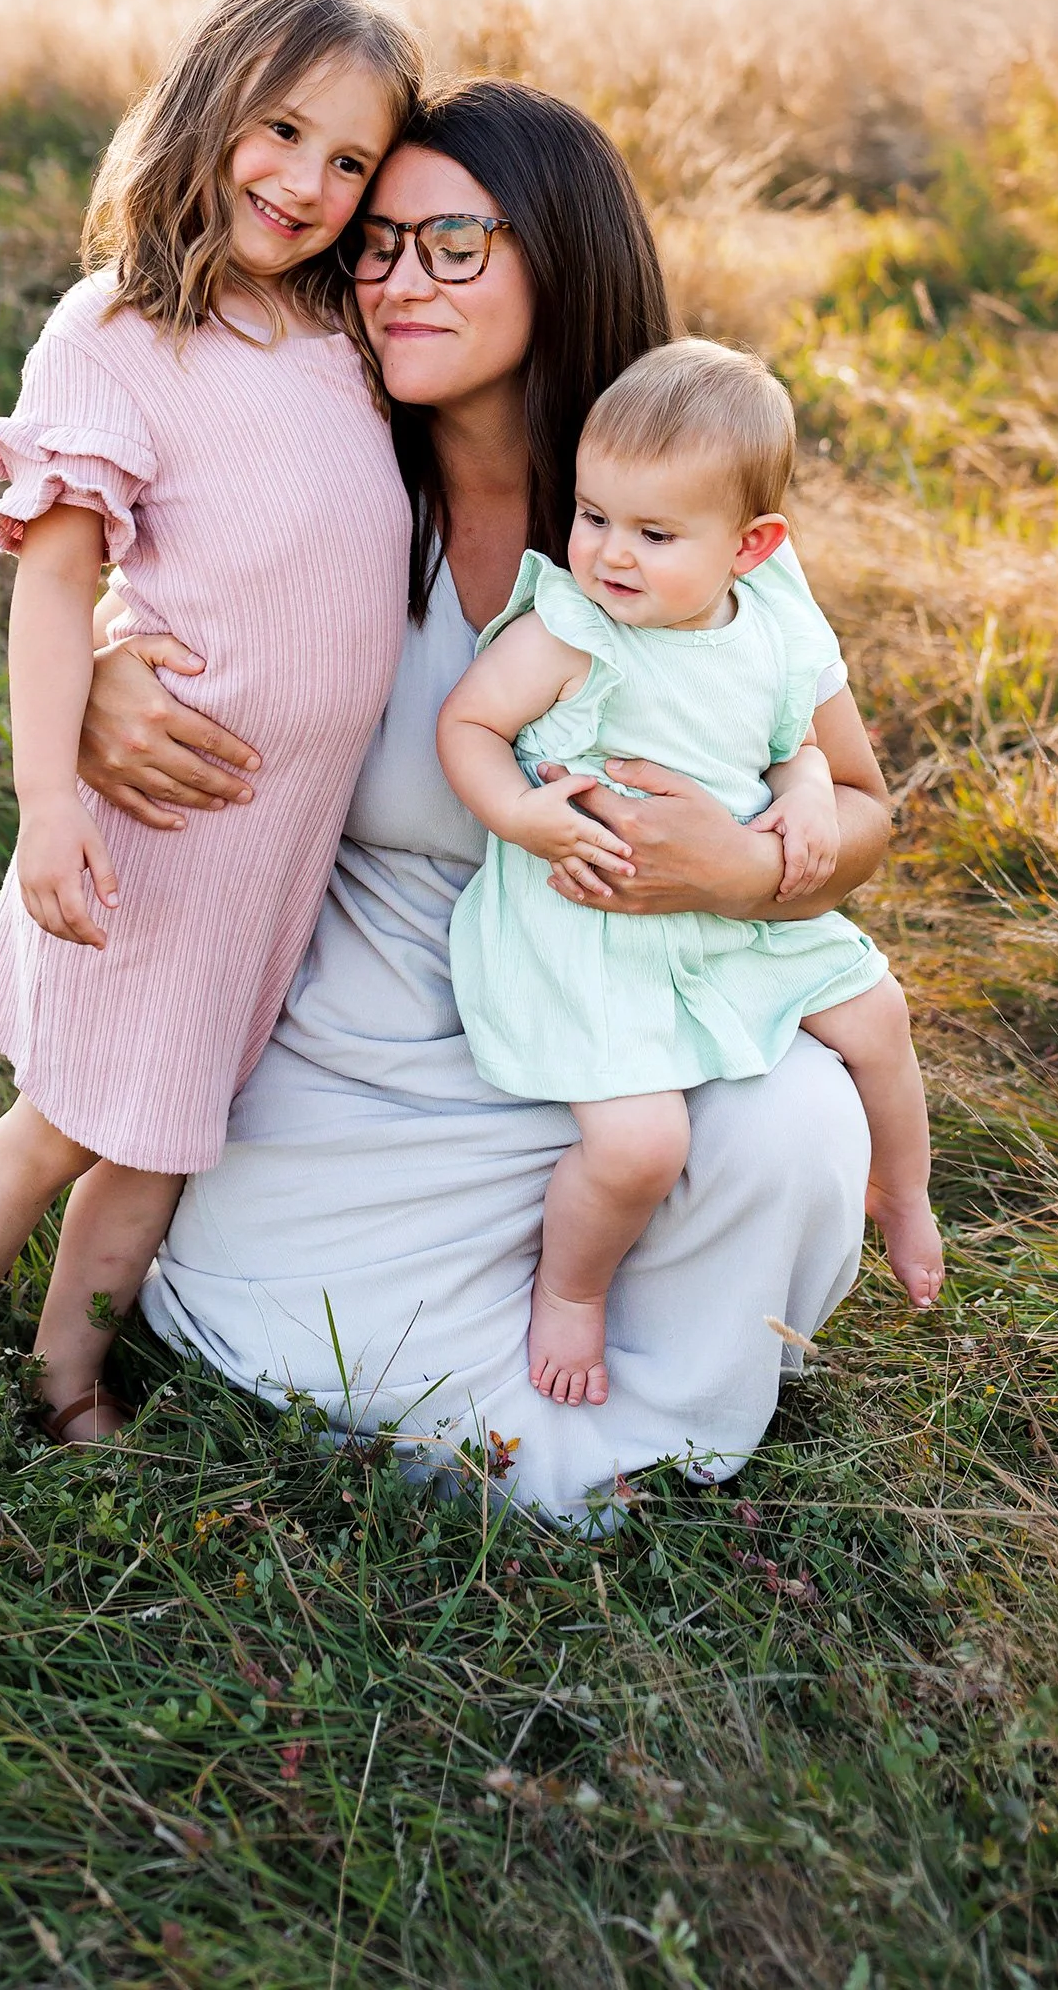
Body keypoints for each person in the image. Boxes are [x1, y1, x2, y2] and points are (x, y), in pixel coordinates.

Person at [75, 79, 896, 1524]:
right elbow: (131, 597)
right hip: (372, 1046)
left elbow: (862, 805)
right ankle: (545, 1391)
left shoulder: (672, 514)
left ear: (560, 257)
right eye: (375, 245)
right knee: (347, 1360)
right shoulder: (322, 480)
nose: (400, 280)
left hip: (634, 1024)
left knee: (799, 1126)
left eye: (454, 243)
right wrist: (104, 666)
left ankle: (655, 1399)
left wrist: (739, 867)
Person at [0, 0, 422, 1464]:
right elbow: (56, 585)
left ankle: (70, 1373)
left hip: (271, 843)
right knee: (58, 1124)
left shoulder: (338, 332)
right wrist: (49, 800)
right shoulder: (116, 329)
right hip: (154, 822)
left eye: (349, 159)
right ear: (208, 104)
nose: (304, 183)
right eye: (280, 130)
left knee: (163, 1131)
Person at [439, 337, 943, 1410]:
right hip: (594, 924)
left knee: (879, 1012)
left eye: (654, 533)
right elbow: (468, 724)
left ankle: (902, 1192)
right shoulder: (568, 628)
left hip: (730, 910)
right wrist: (520, 813)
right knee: (639, 1145)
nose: (609, 553)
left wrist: (805, 794)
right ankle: (571, 1289)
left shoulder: (772, 632)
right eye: (593, 516)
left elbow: (797, 748)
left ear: (750, 546)